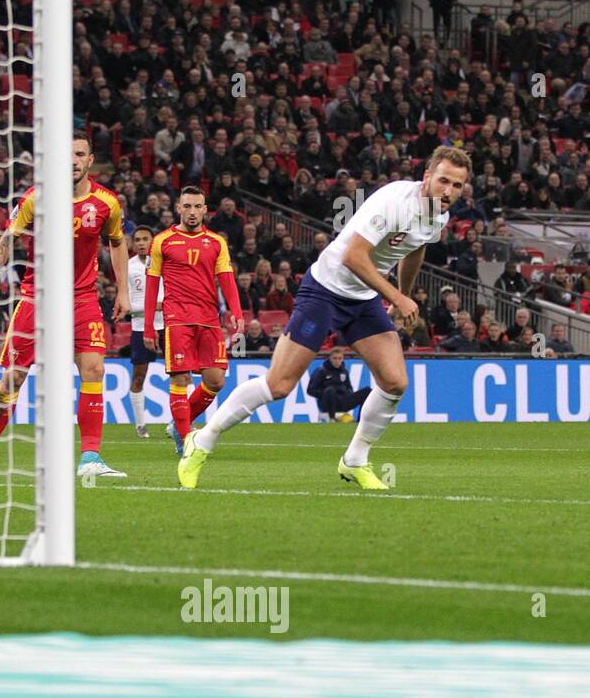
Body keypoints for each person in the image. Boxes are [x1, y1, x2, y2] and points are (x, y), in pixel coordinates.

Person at [179, 147, 473, 491]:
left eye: (457, 185)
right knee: (279, 385)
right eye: (443, 181)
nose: (449, 191)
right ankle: (203, 440)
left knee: (395, 382)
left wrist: (400, 295)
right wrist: (396, 296)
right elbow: (353, 256)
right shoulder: (393, 201)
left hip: (363, 298)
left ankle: (355, 461)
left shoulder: (438, 215)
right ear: (427, 177)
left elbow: (415, 248)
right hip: (326, 290)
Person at [0, 131, 131, 478]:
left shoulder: (107, 203)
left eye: (80, 154)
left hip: (83, 298)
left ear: (90, 160)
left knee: (94, 370)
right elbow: (7, 238)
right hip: (36, 299)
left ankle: (90, 457)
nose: (72, 160)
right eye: (66, 154)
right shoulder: (35, 198)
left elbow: (117, 243)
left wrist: (122, 291)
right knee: (12, 379)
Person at [144, 187, 244, 456]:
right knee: (180, 376)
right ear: (178, 208)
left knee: (215, 381)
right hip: (177, 317)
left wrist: (236, 312)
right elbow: (152, 285)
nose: (191, 212)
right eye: (186, 206)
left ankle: (179, 423)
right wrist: (148, 327)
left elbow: (226, 279)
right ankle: (186, 436)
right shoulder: (162, 241)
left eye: (196, 206)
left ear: (204, 210)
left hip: (209, 318)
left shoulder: (216, 242)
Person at [126, 226, 162, 439]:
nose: (141, 243)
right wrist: (151, 307)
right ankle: (140, 425)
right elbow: (126, 305)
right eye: (137, 239)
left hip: (166, 324)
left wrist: (163, 305)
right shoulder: (128, 268)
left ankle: (183, 422)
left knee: (181, 373)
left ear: (152, 241)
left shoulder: (164, 263)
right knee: (139, 376)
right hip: (140, 327)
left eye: (145, 239)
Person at [306, 348, 371, 422]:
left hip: (342, 401)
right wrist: (324, 393)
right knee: (330, 390)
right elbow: (310, 390)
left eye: (340, 358)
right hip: (327, 403)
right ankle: (332, 419)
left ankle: (360, 421)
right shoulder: (321, 371)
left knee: (367, 391)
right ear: (330, 358)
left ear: (343, 359)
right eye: (335, 358)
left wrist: (347, 393)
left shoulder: (344, 371)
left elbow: (349, 387)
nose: (337, 361)